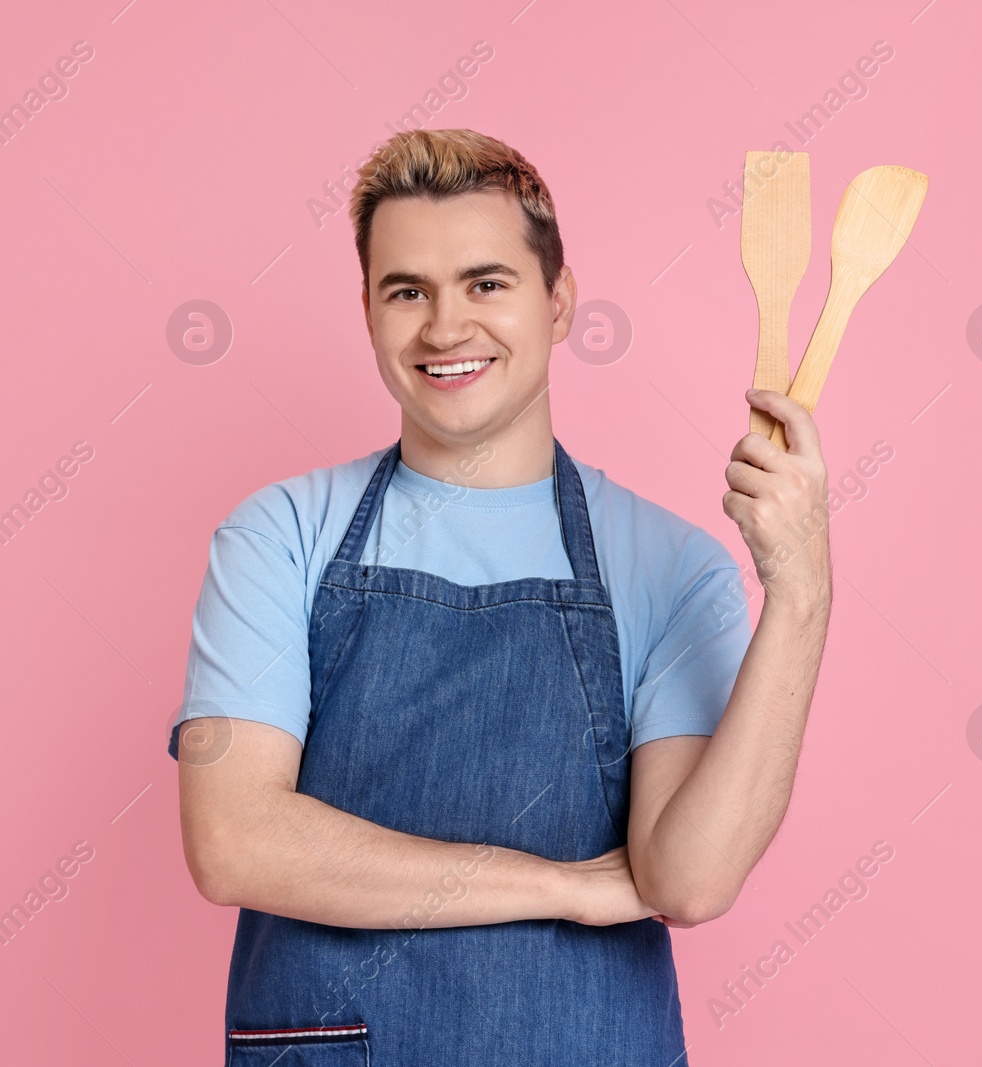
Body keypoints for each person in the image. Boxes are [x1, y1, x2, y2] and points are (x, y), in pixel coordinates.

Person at [169, 127, 833, 1065]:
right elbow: (235, 840)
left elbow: (688, 879)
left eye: (487, 283)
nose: (446, 328)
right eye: (409, 291)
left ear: (559, 301)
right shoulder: (279, 535)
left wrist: (801, 591)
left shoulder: (669, 564)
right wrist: (560, 886)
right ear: (366, 309)